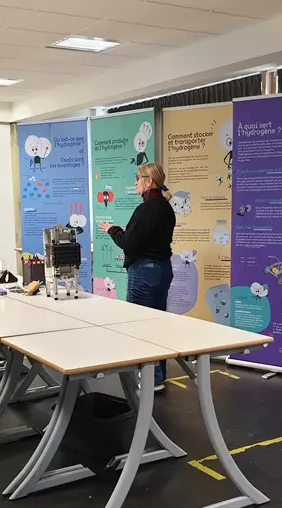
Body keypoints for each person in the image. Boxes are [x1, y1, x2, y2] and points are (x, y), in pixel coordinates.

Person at [99, 162, 176, 392]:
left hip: (144, 272)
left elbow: (129, 243)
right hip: (163, 269)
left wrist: (112, 230)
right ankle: (158, 377)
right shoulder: (165, 208)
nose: (135, 182)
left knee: (139, 326)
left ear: (148, 181)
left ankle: (148, 380)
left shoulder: (145, 209)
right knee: (157, 325)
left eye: (138, 178)